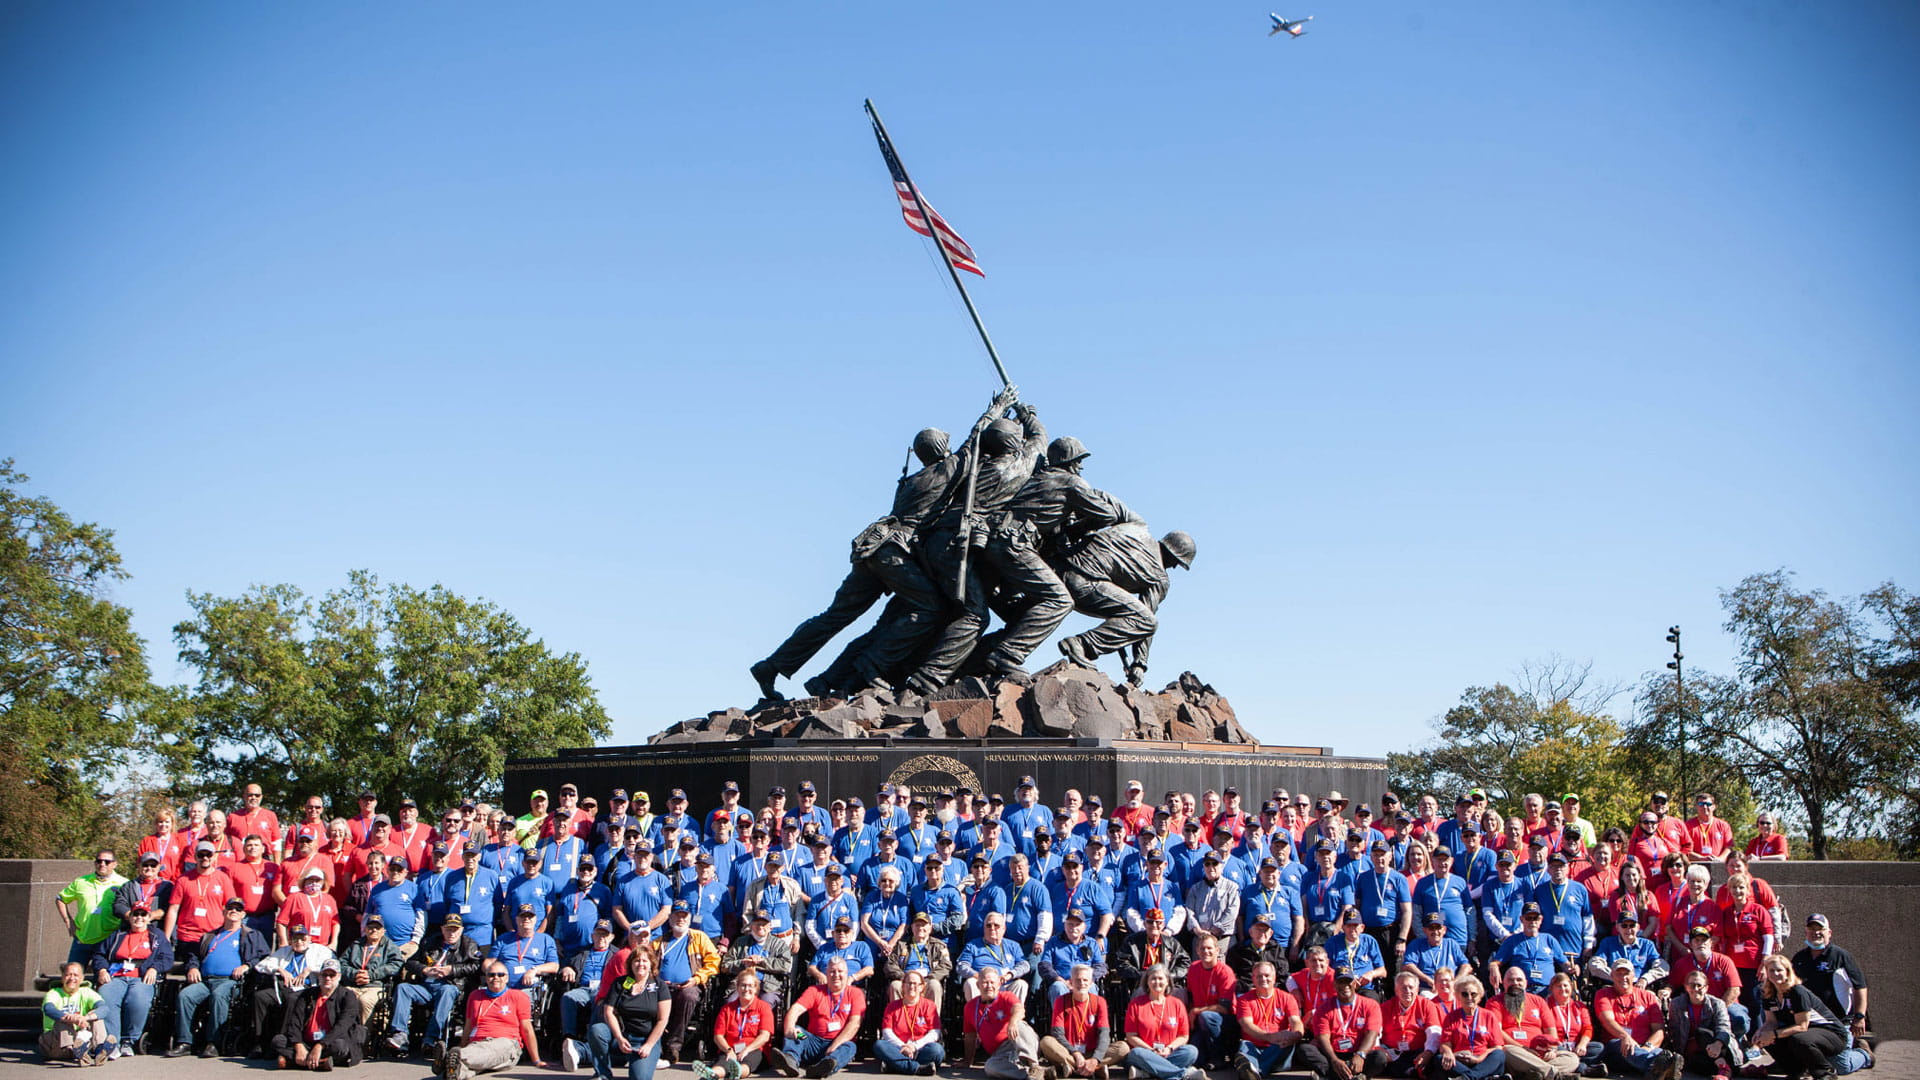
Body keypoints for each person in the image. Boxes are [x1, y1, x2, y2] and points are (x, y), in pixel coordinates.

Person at [170, 897, 270, 1057]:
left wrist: (247, 966)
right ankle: (184, 1042)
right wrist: (193, 967)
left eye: (238, 909)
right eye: (230, 908)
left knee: (219, 996)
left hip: (231, 981)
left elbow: (264, 956)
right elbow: (194, 955)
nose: (234, 911)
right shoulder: (210, 935)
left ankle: (214, 1042)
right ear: (223, 912)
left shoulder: (251, 935)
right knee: (185, 996)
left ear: (243, 914)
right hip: (206, 980)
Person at [390, 913, 483, 1062]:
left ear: (461, 930)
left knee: (447, 991)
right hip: (426, 987)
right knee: (403, 988)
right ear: (442, 929)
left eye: (455, 929)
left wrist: (451, 970)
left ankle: (432, 1038)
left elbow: (476, 966)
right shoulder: (430, 941)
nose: (451, 933)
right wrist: (424, 970)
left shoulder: (469, 945)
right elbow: (411, 962)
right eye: (448, 929)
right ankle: (400, 1035)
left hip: (451, 986)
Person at [89, 902, 174, 1061]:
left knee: (138, 1000)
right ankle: (112, 1042)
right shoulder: (118, 935)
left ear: (149, 918)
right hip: (117, 975)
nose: (139, 918)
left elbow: (167, 958)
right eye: (136, 914)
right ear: (130, 917)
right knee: (106, 996)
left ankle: (129, 1040)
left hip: (141, 975)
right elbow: (99, 955)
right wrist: (101, 970)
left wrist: (154, 968)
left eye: (143, 914)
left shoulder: (157, 936)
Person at [1791, 912, 1874, 1072]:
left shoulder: (1841, 956)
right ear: (1805, 932)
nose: (1816, 933)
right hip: (1811, 1022)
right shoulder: (1800, 958)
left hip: (1839, 1023)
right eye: (1811, 929)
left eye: (1820, 929)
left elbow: (1860, 987)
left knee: (1842, 1066)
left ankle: (1864, 1054)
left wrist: (1859, 1017)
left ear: (1829, 932)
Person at [767, 954, 866, 1079]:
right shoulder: (814, 990)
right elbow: (795, 1009)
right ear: (826, 973)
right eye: (832, 971)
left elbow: (855, 1023)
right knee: (798, 1031)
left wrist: (835, 1045)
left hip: (838, 1044)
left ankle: (823, 1068)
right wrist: (789, 1030)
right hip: (813, 1041)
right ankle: (790, 1061)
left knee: (850, 1046)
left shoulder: (855, 993)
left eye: (840, 971)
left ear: (846, 973)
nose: (836, 975)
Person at [1751, 953, 1848, 1080]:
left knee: (1799, 1039)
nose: (1775, 974)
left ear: (1787, 971)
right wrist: (1760, 1033)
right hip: (1803, 1032)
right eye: (1771, 970)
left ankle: (1825, 1073)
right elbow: (1771, 1021)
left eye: (1779, 970)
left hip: (1830, 1033)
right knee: (1767, 1037)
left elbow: (1802, 1026)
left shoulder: (1797, 991)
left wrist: (1773, 1034)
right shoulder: (1768, 993)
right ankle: (1795, 1070)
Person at [453, 959, 548, 1080]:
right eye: (491, 975)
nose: (496, 978)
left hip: (506, 1043)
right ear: (486, 978)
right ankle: (454, 1072)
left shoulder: (518, 996)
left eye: (500, 974)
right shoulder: (475, 996)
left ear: (507, 978)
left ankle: (454, 1057)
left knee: (485, 1053)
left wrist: (536, 1060)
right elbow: (469, 1024)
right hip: (478, 1043)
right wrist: (463, 1044)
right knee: (476, 1059)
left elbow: (527, 1029)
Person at [1488, 964, 1581, 1080]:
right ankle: (1554, 1074)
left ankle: (1534, 1073)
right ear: (1504, 982)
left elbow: (1550, 1030)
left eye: (1519, 980)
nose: (1515, 983)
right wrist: (1523, 1048)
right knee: (1506, 1051)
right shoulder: (1494, 1002)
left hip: (1540, 1051)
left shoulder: (1538, 1001)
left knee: (1572, 1057)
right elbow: (1497, 1031)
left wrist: (1552, 1049)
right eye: (1511, 980)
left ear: (1526, 983)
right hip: (1517, 1052)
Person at [657, 900, 723, 1061]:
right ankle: (655, 1044)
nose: (680, 919)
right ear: (670, 918)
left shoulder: (699, 937)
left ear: (689, 918)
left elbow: (714, 962)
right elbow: (649, 965)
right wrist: (657, 981)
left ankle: (674, 1045)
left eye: (684, 916)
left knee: (689, 996)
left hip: (689, 985)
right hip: (663, 986)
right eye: (677, 916)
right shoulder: (659, 941)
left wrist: (697, 978)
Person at [270, 958, 365, 1069]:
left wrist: (320, 1045)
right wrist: (298, 1045)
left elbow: (343, 1026)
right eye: (324, 975)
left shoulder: (348, 996)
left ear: (339, 977)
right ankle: (320, 1063)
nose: (328, 978)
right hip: (306, 1042)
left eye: (332, 975)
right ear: (319, 976)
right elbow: (295, 1022)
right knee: (278, 1041)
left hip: (330, 1042)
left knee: (340, 1047)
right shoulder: (307, 995)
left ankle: (297, 1061)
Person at [1592, 957, 1679, 1078]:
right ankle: (1656, 1067)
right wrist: (1625, 1036)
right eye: (1619, 974)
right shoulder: (1603, 994)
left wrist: (1647, 1047)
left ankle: (1657, 1067)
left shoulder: (1648, 996)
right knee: (1623, 1044)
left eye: (1627, 973)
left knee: (1660, 1054)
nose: (1623, 977)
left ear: (1634, 975)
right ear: (1612, 976)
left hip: (1644, 1047)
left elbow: (1658, 1030)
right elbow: (1608, 1021)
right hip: (1616, 1048)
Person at [1298, 965, 1386, 1080]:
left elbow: (1372, 1033)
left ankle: (1338, 1075)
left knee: (1379, 1058)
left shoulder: (1370, 1005)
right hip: (1334, 1053)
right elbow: (1323, 1037)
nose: (1345, 986)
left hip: (1358, 1052)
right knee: (1304, 1050)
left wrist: (1360, 1055)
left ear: (1355, 983)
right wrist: (1334, 1060)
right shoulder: (1324, 1008)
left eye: (1348, 981)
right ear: (1335, 985)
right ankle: (1349, 1075)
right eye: (1341, 982)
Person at [697, 969, 777, 1080]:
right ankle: (710, 1075)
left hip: (755, 1049)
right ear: (738, 987)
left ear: (756, 989)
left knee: (747, 1064)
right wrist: (729, 1050)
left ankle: (736, 1072)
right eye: (743, 985)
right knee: (722, 1064)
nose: (746, 989)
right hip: (731, 1048)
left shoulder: (763, 1007)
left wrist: (747, 1049)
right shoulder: (727, 1009)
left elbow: (765, 1036)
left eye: (750, 986)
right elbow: (718, 1036)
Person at [1232, 961, 1307, 1080]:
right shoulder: (1244, 1000)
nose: (1263, 979)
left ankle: (1253, 1071)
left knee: (1286, 1043)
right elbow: (1247, 1025)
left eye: (1267, 975)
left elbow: (1296, 1021)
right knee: (1245, 1045)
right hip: (1254, 1046)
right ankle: (1255, 1070)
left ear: (1274, 977)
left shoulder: (1287, 998)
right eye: (1259, 976)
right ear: (1253, 978)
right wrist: (1268, 1036)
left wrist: (1296, 1035)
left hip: (1277, 1046)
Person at [55, 850, 127, 967]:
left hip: (109, 939)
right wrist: (68, 921)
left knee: (103, 979)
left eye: (107, 862)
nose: (102, 864)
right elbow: (60, 899)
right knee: (73, 974)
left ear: (115, 864)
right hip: (83, 937)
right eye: (99, 861)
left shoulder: (123, 883)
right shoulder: (81, 881)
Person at [1041, 963, 1112, 1080]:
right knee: (1046, 1042)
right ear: (1071, 982)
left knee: (1122, 1048)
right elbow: (1057, 1033)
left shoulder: (1100, 1002)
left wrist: (1095, 1059)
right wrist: (1076, 1053)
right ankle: (1094, 1069)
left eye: (1085, 980)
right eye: (1078, 980)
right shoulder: (1061, 1001)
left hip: (1092, 1052)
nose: (1082, 983)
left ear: (1091, 983)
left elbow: (1104, 1035)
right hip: (1069, 1052)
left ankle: (1076, 1067)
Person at [1666, 967, 1739, 1080]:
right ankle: (1737, 1070)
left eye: (1699, 985)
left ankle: (1723, 1068)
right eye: (1692, 985)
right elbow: (1674, 1030)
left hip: (1717, 1045)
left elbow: (1724, 1027)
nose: (1696, 989)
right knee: (1697, 1064)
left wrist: (1717, 1044)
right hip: (1693, 1050)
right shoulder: (1676, 1004)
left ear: (1706, 988)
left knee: (1701, 1032)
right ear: (1686, 987)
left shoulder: (1717, 1004)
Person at [1185, 932, 1241, 1069]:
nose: (1206, 951)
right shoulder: (1193, 969)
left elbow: (1224, 1008)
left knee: (1207, 1016)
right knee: (1196, 1059)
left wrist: (1196, 1011)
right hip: (1200, 1021)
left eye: (1210, 948)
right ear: (1197, 951)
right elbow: (1191, 996)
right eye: (1202, 948)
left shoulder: (1225, 971)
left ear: (1217, 950)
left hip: (1224, 1021)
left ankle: (1219, 1057)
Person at [337, 912, 405, 1024]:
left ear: (383, 931)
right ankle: (344, 1033)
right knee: (343, 999)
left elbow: (396, 964)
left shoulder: (390, 947)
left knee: (364, 1001)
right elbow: (341, 963)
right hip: (352, 984)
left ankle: (363, 1036)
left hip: (375, 986)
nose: (374, 930)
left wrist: (371, 975)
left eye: (377, 928)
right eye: (371, 927)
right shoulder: (356, 944)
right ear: (365, 929)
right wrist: (355, 974)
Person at [875, 968, 945, 1075]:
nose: (912, 987)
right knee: (879, 1045)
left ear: (922, 987)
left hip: (921, 1049)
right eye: (908, 983)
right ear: (903, 986)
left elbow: (935, 1033)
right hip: (899, 1049)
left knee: (936, 1050)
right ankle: (916, 1068)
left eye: (915, 984)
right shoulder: (892, 1006)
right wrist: (903, 1046)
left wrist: (914, 1046)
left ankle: (895, 1066)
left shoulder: (929, 1005)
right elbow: (887, 1032)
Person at [1436, 975, 1506, 1080]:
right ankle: (1479, 1077)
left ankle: (1467, 1078)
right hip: (1460, 1060)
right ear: (1458, 996)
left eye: (1473, 994)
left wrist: (1478, 1059)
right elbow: (1445, 1044)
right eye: (1464, 994)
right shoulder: (1451, 1017)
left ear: (1480, 996)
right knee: (1439, 1058)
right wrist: (1448, 1053)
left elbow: (1497, 1047)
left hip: (1483, 1059)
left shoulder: (1488, 1015)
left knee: (1499, 1055)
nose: (1469, 998)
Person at [1375, 970, 1443, 1079]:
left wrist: (1428, 1053)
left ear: (1417, 990)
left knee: (1435, 1058)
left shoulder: (1427, 1005)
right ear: (1396, 990)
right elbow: (1375, 1032)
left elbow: (1434, 1032)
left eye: (1411, 987)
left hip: (1418, 1051)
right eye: (1403, 988)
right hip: (1391, 1052)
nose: (1407, 991)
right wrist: (1379, 1049)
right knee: (1377, 1057)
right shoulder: (1385, 1007)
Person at [39, 962, 107, 1065]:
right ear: (62, 977)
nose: (72, 978)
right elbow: (49, 1009)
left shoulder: (86, 992)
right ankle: (76, 1051)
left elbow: (104, 1008)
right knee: (63, 1020)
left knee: (96, 1016)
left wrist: (86, 1018)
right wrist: (72, 1018)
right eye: (68, 975)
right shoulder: (53, 993)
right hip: (55, 1043)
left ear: (82, 978)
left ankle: (100, 1051)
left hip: (78, 1039)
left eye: (76, 975)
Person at [890, 912, 956, 1007]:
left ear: (930, 927)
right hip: (906, 980)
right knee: (895, 985)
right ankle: (898, 1019)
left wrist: (930, 978)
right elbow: (890, 964)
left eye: (924, 925)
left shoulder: (938, 946)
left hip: (927, 981)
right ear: (912, 927)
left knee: (935, 985)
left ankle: (933, 1020)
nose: (920, 928)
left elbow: (946, 965)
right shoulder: (901, 945)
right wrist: (903, 977)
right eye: (917, 925)